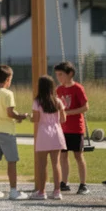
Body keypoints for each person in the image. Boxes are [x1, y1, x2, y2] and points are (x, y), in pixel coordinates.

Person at [0, 64, 28, 200]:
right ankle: (13, 191)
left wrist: (13, 118)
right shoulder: (8, 94)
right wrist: (20, 116)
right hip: (7, 132)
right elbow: (10, 113)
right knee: (12, 161)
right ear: (8, 79)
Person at [30, 75, 67, 200]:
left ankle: (42, 192)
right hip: (56, 132)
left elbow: (35, 119)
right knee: (56, 163)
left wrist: (29, 117)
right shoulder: (58, 101)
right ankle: (57, 191)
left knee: (42, 164)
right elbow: (63, 119)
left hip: (43, 133)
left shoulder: (37, 101)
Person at [55, 62, 90, 195]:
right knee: (63, 156)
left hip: (76, 128)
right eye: (57, 75)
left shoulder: (78, 88)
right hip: (62, 128)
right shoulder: (59, 89)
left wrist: (68, 113)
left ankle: (83, 184)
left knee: (78, 156)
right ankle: (64, 182)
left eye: (61, 74)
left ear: (70, 74)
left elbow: (86, 107)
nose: (58, 77)